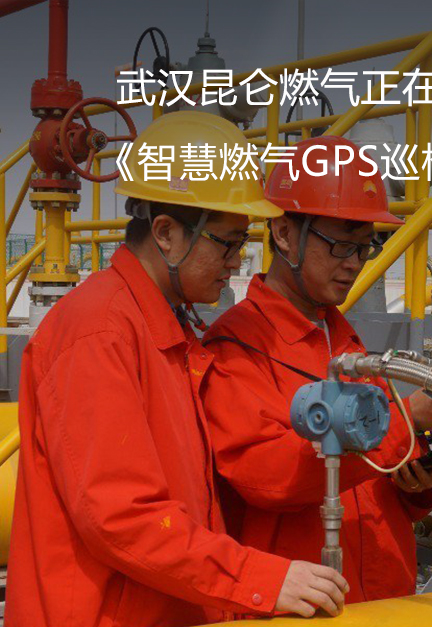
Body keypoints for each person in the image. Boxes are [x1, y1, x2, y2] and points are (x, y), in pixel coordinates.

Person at [6, 112, 348, 627]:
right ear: (165, 232)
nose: (237, 262)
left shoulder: (164, 328)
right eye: (228, 243)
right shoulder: (100, 331)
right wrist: (259, 578)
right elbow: (121, 516)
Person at [201, 135, 432, 603]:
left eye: (365, 248)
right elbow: (268, 478)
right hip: (301, 605)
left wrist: (415, 483)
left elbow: (372, 482)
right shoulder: (238, 348)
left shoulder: (343, 339)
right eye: (340, 246)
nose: (354, 264)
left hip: (384, 599)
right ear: (284, 233)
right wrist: (404, 420)